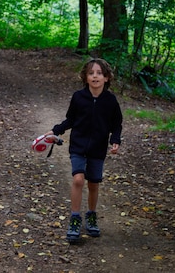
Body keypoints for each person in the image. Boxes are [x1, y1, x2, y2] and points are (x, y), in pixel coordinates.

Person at [45, 58, 122, 242]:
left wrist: (115, 140)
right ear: (85, 77)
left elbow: (116, 124)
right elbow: (70, 120)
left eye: (99, 73)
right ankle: (75, 218)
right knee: (78, 179)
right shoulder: (78, 97)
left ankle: (92, 215)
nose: (95, 76)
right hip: (78, 146)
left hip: (98, 148)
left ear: (106, 78)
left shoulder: (110, 101)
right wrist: (56, 131)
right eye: (91, 73)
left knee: (93, 184)